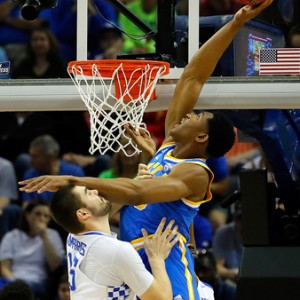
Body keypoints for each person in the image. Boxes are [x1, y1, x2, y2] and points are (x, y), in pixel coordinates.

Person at [19, 2, 273, 299]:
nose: (188, 115)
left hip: (165, 262)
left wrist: (73, 181)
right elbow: (193, 76)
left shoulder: (195, 173)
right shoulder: (169, 147)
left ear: (201, 137)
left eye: (195, 118)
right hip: (136, 262)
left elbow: (137, 193)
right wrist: (235, 23)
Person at [50, 185, 179, 299]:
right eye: (89, 193)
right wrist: (157, 259)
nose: (95, 191)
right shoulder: (117, 250)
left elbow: (97, 214)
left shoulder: (74, 234)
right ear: (83, 213)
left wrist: (133, 188)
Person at [0, 199, 65, 300]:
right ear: (27, 215)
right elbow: (4, 267)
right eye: (37, 214)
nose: (41, 218)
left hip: (38, 281)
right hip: (11, 280)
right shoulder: (12, 236)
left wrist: (43, 236)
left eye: (46, 216)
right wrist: (14, 284)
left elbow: (55, 266)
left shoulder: (53, 235)